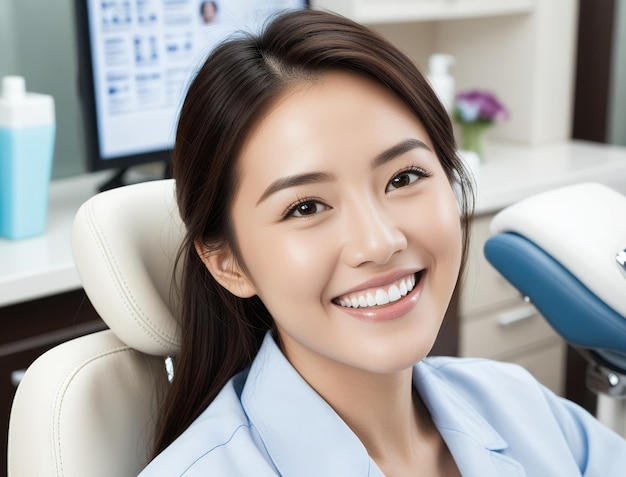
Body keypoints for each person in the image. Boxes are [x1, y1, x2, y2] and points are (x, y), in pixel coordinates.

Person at [139, 9, 626, 476]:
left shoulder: (521, 405)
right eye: (306, 207)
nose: (379, 242)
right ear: (228, 264)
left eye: (404, 177)